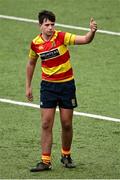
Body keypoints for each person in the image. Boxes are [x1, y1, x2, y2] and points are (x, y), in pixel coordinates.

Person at [26, 10, 97, 172]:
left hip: (66, 86)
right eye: (47, 25)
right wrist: (28, 86)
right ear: (40, 26)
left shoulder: (61, 37)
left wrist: (91, 32)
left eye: (52, 24)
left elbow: (85, 40)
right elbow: (31, 63)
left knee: (66, 123)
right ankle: (45, 161)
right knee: (45, 123)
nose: (50, 27)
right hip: (48, 87)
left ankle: (66, 155)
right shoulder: (35, 43)